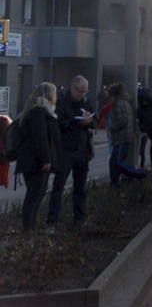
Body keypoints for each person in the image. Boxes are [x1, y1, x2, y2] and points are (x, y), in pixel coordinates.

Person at [47, 75, 94, 229]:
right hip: (66, 150)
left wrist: (89, 121)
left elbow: (94, 118)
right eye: (80, 91)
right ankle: (52, 221)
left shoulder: (86, 102)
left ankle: (79, 219)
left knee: (80, 188)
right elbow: (58, 124)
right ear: (73, 87)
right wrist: (75, 122)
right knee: (58, 187)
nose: (82, 94)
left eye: (85, 91)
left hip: (82, 150)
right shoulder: (61, 102)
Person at [14, 82, 62, 233]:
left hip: (32, 161)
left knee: (36, 194)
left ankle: (30, 229)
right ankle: (28, 230)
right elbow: (40, 138)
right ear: (49, 95)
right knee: (34, 196)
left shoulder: (34, 111)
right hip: (36, 162)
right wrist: (46, 159)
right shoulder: (38, 112)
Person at [106, 83, 146, 185]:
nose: (109, 99)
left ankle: (138, 174)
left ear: (113, 95)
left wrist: (112, 127)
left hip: (121, 137)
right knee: (114, 162)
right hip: (124, 137)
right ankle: (115, 183)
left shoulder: (119, 104)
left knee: (117, 162)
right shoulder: (125, 102)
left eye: (110, 97)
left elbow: (122, 120)